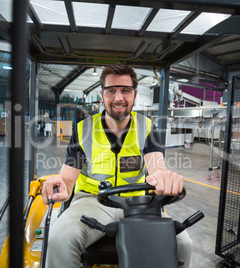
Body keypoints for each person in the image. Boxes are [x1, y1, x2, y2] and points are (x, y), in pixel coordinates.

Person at [41, 63, 193, 267]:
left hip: (137, 204)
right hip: (92, 201)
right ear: (102, 95)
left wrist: (164, 179)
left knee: (182, 242)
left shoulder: (147, 127)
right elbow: (68, 180)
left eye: (125, 90)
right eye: (111, 91)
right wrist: (62, 185)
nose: (119, 98)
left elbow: (157, 169)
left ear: (135, 94)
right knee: (59, 240)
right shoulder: (83, 129)